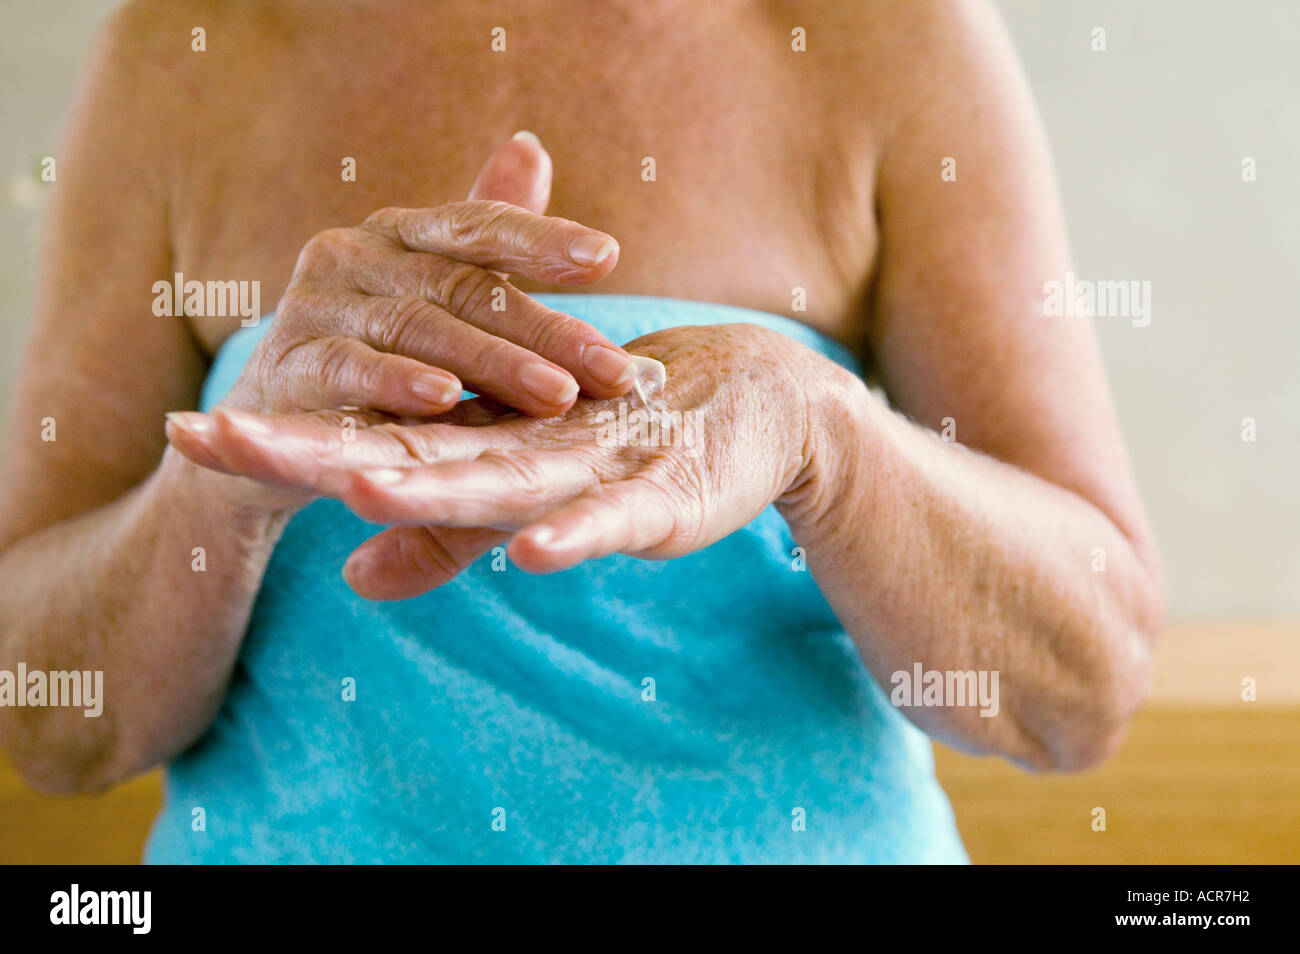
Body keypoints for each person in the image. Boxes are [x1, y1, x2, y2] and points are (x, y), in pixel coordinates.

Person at [0, 0, 1163, 863]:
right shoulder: (184, 45)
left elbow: (1079, 684)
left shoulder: (882, 33)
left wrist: (825, 440)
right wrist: (227, 478)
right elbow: (51, 725)